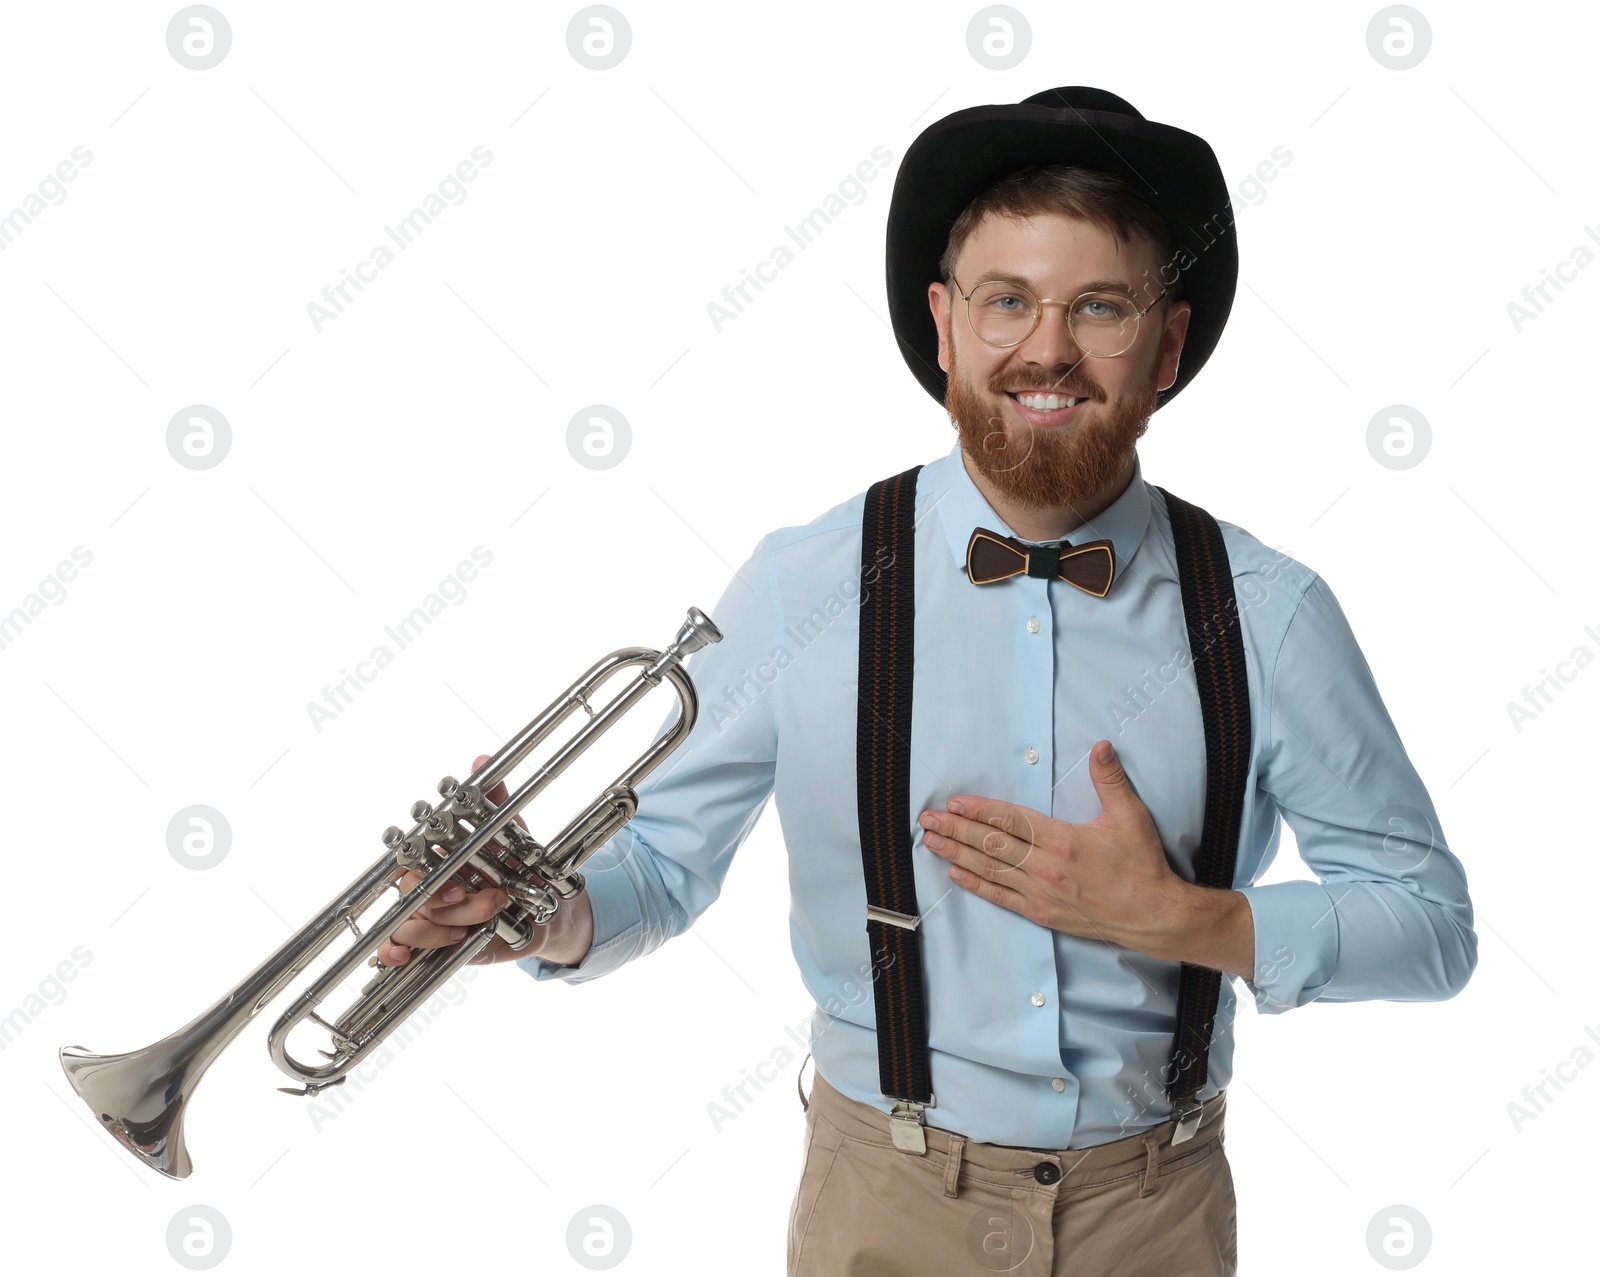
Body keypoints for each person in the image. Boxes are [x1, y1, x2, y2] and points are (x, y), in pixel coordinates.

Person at [379, 87, 1477, 1276]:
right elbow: (656, 865)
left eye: (1097, 306)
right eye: (1008, 301)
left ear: (1164, 345)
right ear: (944, 326)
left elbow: (1429, 926)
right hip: (881, 1205)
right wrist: (532, 907)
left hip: (1154, 1214)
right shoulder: (806, 583)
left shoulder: (1267, 608)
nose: (1046, 349)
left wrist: (1183, 919)